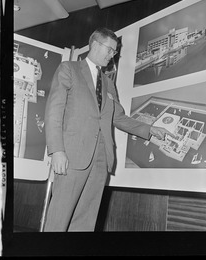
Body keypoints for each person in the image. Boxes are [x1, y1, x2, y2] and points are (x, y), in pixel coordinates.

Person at [44, 27, 174, 232]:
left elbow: (119, 117)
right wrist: (57, 150)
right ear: (95, 44)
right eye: (110, 49)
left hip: (100, 160)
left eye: (115, 51)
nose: (112, 55)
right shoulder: (68, 69)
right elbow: (53, 111)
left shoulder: (108, 84)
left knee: (85, 222)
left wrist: (149, 129)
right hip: (72, 156)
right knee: (59, 219)